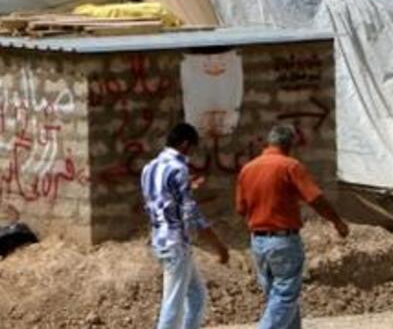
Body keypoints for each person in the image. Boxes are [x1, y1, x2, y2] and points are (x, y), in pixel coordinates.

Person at [236, 124, 349, 329]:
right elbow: (315, 199)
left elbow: (241, 209)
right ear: (290, 144)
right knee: (285, 296)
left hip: (258, 241)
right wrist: (337, 221)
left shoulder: (247, 169)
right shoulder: (290, 166)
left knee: (278, 297)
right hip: (283, 240)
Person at [141, 122, 230, 329]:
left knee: (197, 296)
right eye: (192, 149)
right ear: (185, 144)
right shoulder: (178, 169)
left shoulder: (149, 168)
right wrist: (218, 246)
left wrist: (187, 186)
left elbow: (160, 200)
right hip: (176, 244)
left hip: (160, 239)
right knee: (172, 305)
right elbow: (192, 215)